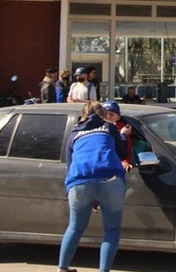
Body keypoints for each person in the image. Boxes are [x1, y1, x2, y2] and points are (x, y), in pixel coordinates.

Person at [57, 101, 126, 272]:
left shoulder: (74, 133)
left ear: (83, 114)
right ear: (103, 114)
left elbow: (69, 163)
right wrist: (123, 136)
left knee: (74, 227)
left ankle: (62, 268)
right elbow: (122, 153)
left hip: (80, 181)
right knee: (111, 229)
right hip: (109, 179)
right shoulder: (109, 128)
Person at [102, 100, 134, 172]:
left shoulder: (123, 129)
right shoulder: (97, 129)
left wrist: (126, 161)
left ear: (118, 117)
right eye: (105, 114)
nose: (107, 116)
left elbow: (127, 149)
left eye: (111, 114)